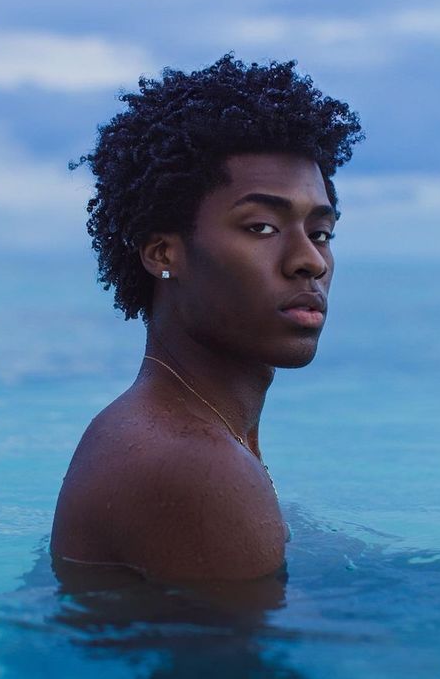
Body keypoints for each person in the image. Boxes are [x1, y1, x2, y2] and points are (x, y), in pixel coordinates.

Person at [51, 55, 363, 581]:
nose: (310, 259)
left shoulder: (182, 432)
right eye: (262, 227)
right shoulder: (189, 462)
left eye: (322, 232)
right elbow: (254, 662)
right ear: (164, 254)